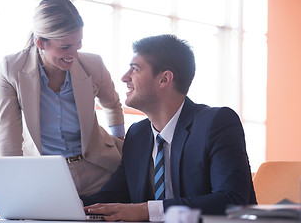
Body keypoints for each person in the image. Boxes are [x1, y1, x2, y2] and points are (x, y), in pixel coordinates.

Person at [81, 34, 257, 221]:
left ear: (164, 79)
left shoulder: (216, 123)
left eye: (135, 69)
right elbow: (113, 195)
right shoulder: (137, 134)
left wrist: (147, 211)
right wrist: (69, 203)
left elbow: (232, 201)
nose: (125, 78)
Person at [0, 0, 124, 195]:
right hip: (48, 176)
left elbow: (112, 105)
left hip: (98, 171)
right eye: (65, 47)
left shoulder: (93, 65)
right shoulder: (12, 69)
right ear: (41, 43)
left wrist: (122, 145)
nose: (74, 53)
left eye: (78, 43)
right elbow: (8, 136)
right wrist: (12, 188)